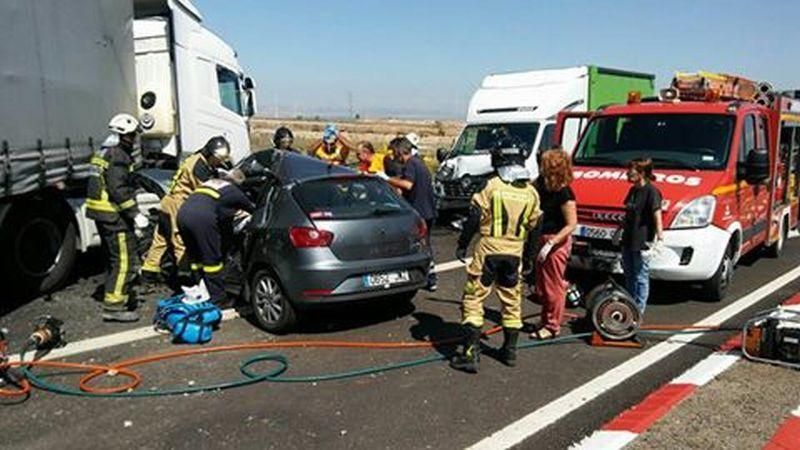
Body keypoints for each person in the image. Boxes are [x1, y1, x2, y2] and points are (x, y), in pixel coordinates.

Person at [450, 133, 541, 373]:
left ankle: (470, 354)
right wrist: (530, 258)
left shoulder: (491, 185)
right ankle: (509, 352)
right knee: (511, 302)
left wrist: (462, 244)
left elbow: (474, 217)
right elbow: (536, 228)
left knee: (473, 299)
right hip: (515, 252)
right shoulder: (531, 192)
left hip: (489, 249)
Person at [141, 136, 233, 286]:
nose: (219, 163)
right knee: (181, 242)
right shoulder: (199, 168)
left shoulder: (198, 158)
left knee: (160, 241)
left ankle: (148, 275)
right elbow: (208, 189)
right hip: (178, 205)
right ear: (210, 154)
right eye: (218, 160)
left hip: (168, 203)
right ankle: (186, 280)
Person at [86, 113, 150, 322]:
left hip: (102, 214)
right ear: (124, 136)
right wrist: (135, 214)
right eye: (132, 136)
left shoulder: (104, 152)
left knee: (114, 260)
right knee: (124, 261)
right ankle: (114, 307)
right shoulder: (118, 155)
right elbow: (118, 189)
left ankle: (117, 296)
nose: (134, 140)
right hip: (114, 217)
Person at [177, 172, 255, 306]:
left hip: (182, 215)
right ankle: (219, 298)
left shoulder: (212, 182)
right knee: (212, 260)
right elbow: (252, 208)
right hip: (202, 220)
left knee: (196, 257)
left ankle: (201, 288)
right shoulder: (234, 191)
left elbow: (219, 207)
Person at [530, 149, 577, 340]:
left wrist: (552, 243)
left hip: (555, 242)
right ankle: (545, 319)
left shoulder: (564, 192)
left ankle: (552, 326)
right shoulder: (540, 184)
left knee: (553, 287)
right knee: (541, 286)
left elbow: (571, 224)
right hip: (540, 238)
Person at [383, 137, 438, 291]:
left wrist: (386, 178)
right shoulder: (418, 162)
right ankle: (429, 277)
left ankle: (429, 277)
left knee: (421, 245)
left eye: (394, 153)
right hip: (427, 209)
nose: (394, 157)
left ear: (400, 152)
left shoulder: (411, 164)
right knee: (425, 244)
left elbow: (408, 184)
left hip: (420, 211)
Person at [619, 158, 663, 314]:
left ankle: (639, 311)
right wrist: (619, 231)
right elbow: (628, 214)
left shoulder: (652, 192)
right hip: (628, 239)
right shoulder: (633, 191)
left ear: (642, 173)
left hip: (642, 241)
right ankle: (630, 307)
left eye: (631, 171)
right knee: (629, 275)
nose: (627, 173)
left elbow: (657, 215)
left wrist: (659, 239)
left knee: (640, 277)